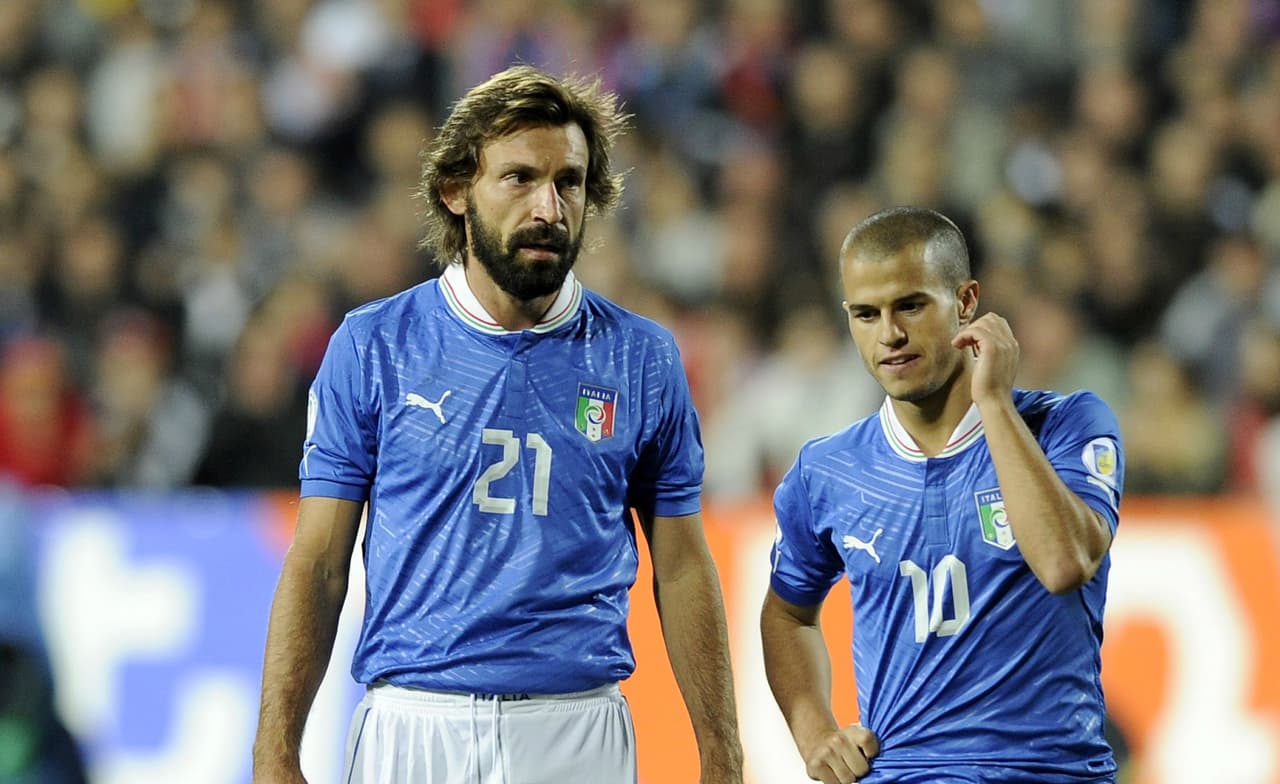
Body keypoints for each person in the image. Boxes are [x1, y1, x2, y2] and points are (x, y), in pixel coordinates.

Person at [251, 66, 743, 784]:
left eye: (569, 182)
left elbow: (684, 564)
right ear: (455, 192)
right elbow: (320, 562)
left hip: (578, 733)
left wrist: (722, 754)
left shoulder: (641, 358)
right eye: (519, 178)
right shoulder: (375, 345)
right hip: (413, 728)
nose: (550, 206)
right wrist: (275, 752)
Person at [760, 206, 1123, 784]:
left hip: (1050, 773)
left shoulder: (1066, 425)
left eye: (910, 305)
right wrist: (817, 735)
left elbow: (1064, 563)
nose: (890, 334)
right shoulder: (827, 471)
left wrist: (996, 404)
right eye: (865, 313)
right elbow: (787, 613)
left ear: (967, 301)